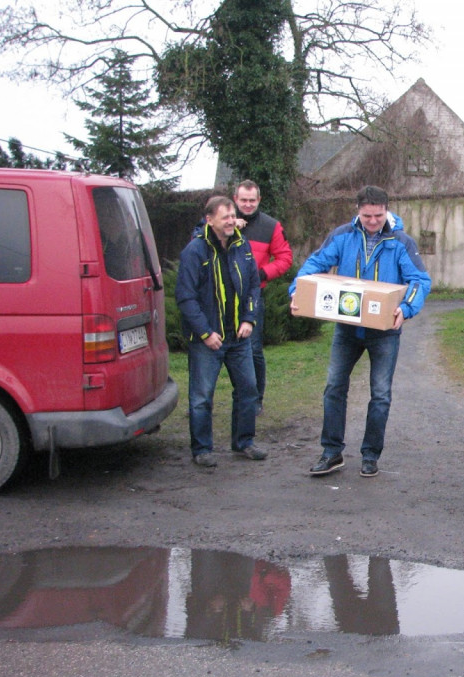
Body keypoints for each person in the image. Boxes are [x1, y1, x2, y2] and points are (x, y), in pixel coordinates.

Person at [290, 185, 431, 479]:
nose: (372, 221)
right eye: (367, 215)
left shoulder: (401, 242)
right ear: (358, 211)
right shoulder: (342, 235)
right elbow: (315, 264)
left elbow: (419, 279)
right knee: (334, 387)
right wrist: (297, 291)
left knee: (380, 394)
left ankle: (370, 455)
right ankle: (331, 452)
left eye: (378, 215)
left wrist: (406, 308)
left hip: (384, 332)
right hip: (347, 328)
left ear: (386, 210)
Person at [175, 196, 267, 467]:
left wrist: (249, 319)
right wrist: (205, 332)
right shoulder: (195, 251)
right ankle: (202, 449)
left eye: (232, 216)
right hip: (208, 340)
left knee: (248, 390)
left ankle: (244, 443)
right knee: (202, 397)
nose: (231, 221)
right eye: (225, 217)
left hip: (238, 337)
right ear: (210, 219)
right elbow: (185, 298)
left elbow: (252, 285)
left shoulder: (242, 245)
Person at [233, 180, 294, 414]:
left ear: (258, 200)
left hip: (253, 295)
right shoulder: (223, 222)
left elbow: (285, 258)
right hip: (222, 296)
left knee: (254, 348)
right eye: (243, 200)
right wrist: (229, 228)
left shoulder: (271, 225)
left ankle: (256, 398)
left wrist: (261, 274)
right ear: (235, 199)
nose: (247, 205)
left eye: (252, 200)